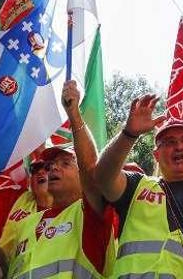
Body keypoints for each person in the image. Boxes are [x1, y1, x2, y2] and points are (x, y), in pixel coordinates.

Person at [95, 94, 183, 278]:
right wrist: (128, 134)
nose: (179, 146)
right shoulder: (137, 185)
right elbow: (102, 177)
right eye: (169, 142)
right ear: (156, 156)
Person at [6, 80, 115, 278]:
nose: (52, 168)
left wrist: (74, 115)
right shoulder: (26, 225)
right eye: (49, 166)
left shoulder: (90, 214)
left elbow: (92, 170)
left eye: (65, 163)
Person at [0, 159, 53, 259]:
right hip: (9, 270)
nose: (40, 172)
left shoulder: (73, 206)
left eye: (47, 167)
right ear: (30, 181)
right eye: (34, 169)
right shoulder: (19, 198)